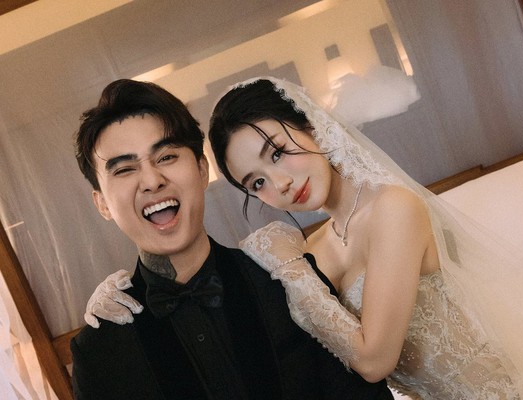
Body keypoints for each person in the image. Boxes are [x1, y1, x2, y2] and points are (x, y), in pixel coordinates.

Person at [87, 78, 523, 399]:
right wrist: (113, 293)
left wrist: (290, 266)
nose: (280, 184)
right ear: (102, 203)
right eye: (257, 182)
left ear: (311, 125)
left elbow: (373, 361)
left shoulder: (394, 208)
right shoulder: (314, 251)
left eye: (278, 152)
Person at [70, 78, 394, 400]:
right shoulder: (99, 350)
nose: (152, 181)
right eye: (124, 169)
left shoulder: (288, 281)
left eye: (166, 157)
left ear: (201, 170)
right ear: (102, 204)